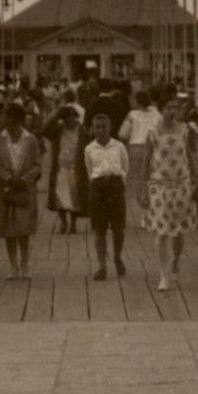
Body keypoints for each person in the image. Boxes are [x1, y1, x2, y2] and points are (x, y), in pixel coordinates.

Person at [144, 96, 198, 291]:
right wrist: (142, 187)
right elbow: (146, 160)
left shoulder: (185, 130)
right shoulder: (152, 132)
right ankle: (164, 275)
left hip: (182, 185)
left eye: (175, 107)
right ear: (161, 109)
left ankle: (176, 259)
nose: (172, 111)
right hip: (160, 185)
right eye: (168, 107)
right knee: (162, 232)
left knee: (178, 232)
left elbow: (190, 156)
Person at [0, 102, 43, 279]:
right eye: (5, 116)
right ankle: (13, 265)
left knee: (23, 225)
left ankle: (25, 263)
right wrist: (6, 177)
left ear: (18, 119)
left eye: (9, 116)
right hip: (4, 187)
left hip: (24, 188)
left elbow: (37, 164)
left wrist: (24, 178)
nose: (5, 120)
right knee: (8, 226)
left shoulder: (30, 139)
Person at [83, 112, 130, 280]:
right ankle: (102, 265)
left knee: (118, 228)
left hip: (115, 186)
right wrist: (97, 183)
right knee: (99, 229)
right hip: (98, 187)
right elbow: (89, 169)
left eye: (104, 127)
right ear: (93, 129)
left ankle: (117, 257)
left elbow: (125, 166)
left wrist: (120, 181)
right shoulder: (89, 149)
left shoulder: (119, 146)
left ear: (110, 128)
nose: (101, 130)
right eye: (97, 127)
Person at [117, 89, 161, 209]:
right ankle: (151, 206)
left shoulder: (132, 115)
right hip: (154, 149)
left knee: (136, 179)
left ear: (137, 101)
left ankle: (141, 206)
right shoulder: (157, 114)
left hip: (135, 148)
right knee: (152, 177)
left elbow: (122, 134)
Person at [43, 105, 83, 234]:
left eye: (71, 118)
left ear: (75, 117)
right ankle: (63, 222)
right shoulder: (59, 129)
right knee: (59, 197)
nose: (69, 122)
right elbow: (44, 130)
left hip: (75, 168)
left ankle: (73, 224)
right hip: (60, 168)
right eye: (65, 119)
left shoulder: (82, 130)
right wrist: (56, 116)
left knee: (74, 197)